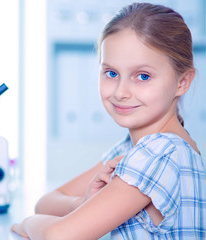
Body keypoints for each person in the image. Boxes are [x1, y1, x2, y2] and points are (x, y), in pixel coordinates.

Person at [11, 2, 206, 239]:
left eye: (143, 76)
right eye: (111, 73)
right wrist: (82, 204)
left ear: (182, 82)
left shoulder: (159, 154)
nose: (120, 92)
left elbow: (58, 235)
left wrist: (27, 224)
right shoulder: (134, 147)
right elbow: (47, 202)